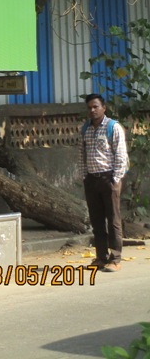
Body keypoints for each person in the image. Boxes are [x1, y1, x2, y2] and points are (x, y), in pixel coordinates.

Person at [80, 93, 128, 273]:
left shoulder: (112, 127)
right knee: (97, 220)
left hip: (109, 179)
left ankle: (115, 259)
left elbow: (121, 155)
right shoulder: (85, 129)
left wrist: (115, 179)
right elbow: (81, 154)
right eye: (89, 107)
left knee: (113, 220)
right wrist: (84, 175)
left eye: (95, 107)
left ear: (103, 108)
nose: (92, 110)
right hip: (91, 179)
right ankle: (101, 257)